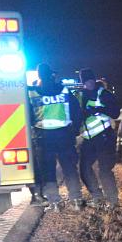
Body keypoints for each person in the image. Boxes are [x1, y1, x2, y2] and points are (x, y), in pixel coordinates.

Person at [27, 63, 84, 211]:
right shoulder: (64, 90)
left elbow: (27, 116)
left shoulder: (32, 92)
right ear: (52, 74)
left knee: (48, 171)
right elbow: (77, 111)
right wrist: (75, 130)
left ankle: (55, 203)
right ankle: (76, 200)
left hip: (43, 137)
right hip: (64, 135)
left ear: (39, 75)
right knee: (69, 168)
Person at [77, 68, 120, 209]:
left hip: (104, 137)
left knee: (105, 170)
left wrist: (98, 109)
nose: (87, 84)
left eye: (89, 80)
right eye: (85, 81)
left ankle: (113, 202)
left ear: (93, 80)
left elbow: (115, 112)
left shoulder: (104, 94)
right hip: (89, 139)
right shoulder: (81, 95)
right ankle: (97, 196)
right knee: (84, 168)